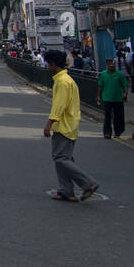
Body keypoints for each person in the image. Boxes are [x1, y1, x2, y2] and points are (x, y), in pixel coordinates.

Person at [43, 49, 100, 202]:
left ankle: (88, 183)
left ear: (53, 64)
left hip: (63, 125)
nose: (47, 66)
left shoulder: (62, 82)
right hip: (71, 123)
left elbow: (59, 106)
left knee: (60, 158)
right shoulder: (67, 80)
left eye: (48, 63)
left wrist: (49, 123)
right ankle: (66, 190)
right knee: (63, 158)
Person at [97, 58, 130, 139]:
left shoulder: (120, 74)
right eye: (109, 64)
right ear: (107, 65)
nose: (111, 65)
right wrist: (98, 96)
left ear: (115, 64)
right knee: (107, 116)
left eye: (112, 64)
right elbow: (100, 86)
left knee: (118, 116)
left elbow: (125, 85)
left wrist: (125, 94)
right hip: (107, 98)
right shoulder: (103, 74)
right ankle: (107, 133)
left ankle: (118, 131)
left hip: (118, 98)